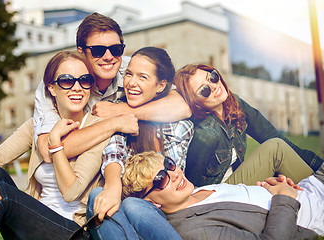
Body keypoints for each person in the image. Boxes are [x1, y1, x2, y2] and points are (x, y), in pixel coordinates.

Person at [0, 51, 118, 239]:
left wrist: (55, 142)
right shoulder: (37, 126)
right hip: (33, 223)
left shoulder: (98, 128)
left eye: (84, 80)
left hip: (74, 232)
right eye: (67, 81)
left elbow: (72, 191)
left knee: (3, 194)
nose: (77, 87)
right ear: (51, 89)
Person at [34, 12, 191, 164]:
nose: (108, 57)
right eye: (98, 50)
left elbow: (182, 108)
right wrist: (114, 123)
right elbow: (48, 152)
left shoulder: (131, 69)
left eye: (116, 49)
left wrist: (120, 110)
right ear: (81, 52)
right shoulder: (60, 81)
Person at [86, 47, 193, 239]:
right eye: (128, 74)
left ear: (160, 86)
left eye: (142, 77)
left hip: (163, 209)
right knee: (98, 195)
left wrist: (121, 111)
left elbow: (170, 179)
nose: (131, 83)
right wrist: (112, 186)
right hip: (125, 211)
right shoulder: (118, 119)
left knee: (132, 205)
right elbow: (113, 153)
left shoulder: (178, 126)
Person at [174, 63, 324, 186]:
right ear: (196, 104)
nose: (213, 86)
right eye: (204, 90)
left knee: (281, 164)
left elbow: (273, 137)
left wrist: (319, 166)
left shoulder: (234, 104)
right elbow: (193, 186)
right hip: (219, 195)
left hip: (238, 183)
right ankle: (319, 190)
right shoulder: (204, 135)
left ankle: (318, 185)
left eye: (212, 77)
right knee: (274, 149)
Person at [122, 151, 324, 239]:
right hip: (315, 216)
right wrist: (285, 197)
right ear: (151, 203)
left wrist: (274, 185)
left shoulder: (197, 191)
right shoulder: (194, 231)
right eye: (161, 179)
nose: (174, 174)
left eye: (169, 165)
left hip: (309, 188)